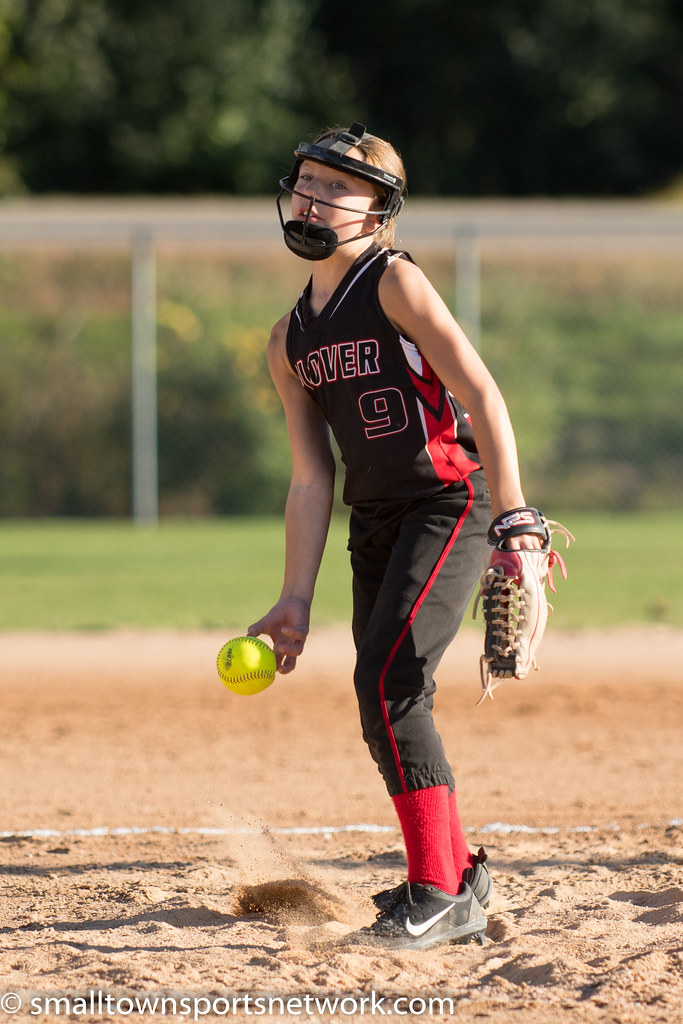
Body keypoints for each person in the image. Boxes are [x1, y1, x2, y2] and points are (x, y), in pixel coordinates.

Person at [248, 122, 541, 951]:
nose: (314, 196)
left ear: (378, 212)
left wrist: (513, 511)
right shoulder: (288, 338)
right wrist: (292, 600)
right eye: (307, 179)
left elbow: (480, 392)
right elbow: (312, 477)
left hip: (448, 501)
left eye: (338, 186)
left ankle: (436, 893)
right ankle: (456, 875)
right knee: (383, 700)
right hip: (374, 522)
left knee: (388, 679)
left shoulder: (393, 282)